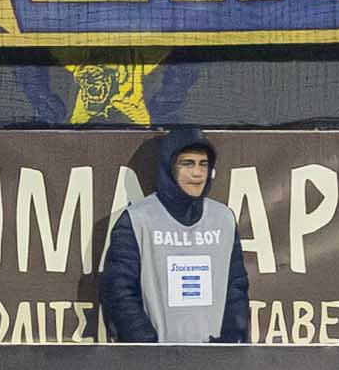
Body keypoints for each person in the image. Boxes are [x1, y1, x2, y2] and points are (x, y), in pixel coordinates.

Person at [95, 127, 250, 343]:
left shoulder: (223, 218)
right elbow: (119, 291)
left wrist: (230, 342)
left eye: (203, 164)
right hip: (154, 358)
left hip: (215, 357)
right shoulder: (138, 219)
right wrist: (146, 345)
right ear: (169, 167)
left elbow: (236, 288)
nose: (197, 173)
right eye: (187, 164)